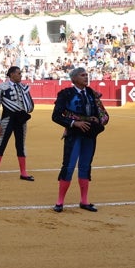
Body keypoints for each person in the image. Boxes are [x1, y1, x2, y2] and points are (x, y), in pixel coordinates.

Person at [50, 67, 109, 212]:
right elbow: (56, 116)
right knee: (68, 167)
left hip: (89, 135)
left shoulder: (91, 93)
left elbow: (102, 114)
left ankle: (84, 201)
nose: (86, 77)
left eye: (87, 75)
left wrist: (97, 122)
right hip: (74, 134)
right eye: (83, 75)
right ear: (74, 78)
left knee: (85, 166)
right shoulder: (66, 94)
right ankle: (59, 202)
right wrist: (74, 123)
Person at [0, 65, 35, 182]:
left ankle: (23, 173)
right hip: (7, 119)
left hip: (20, 119)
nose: (21, 75)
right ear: (11, 74)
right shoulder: (2, 86)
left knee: (21, 145)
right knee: (1, 144)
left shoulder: (23, 87)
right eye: (18, 73)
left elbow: (29, 105)